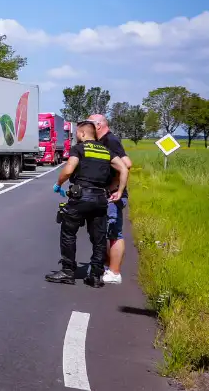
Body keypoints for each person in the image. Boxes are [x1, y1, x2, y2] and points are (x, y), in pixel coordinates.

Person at [45, 120, 129, 287]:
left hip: (80, 197)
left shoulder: (79, 149)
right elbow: (124, 168)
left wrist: (58, 184)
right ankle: (96, 276)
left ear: (83, 134)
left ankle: (68, 271)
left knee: (69, 233)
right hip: (100, 199)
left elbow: (68, 170)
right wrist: (118, 191)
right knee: (98, 238)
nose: (76, 136)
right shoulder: (106, 151)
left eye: (77, 133)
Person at [89, 113, 132, 285]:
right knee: (104, 232)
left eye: (89, 124)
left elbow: (126, 164)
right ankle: (108, 266)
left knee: (114, 232)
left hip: (113, 194)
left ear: (98, 125)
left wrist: (115, 187)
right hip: (106, 193)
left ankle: (114, 272)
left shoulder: (110, 141)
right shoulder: (102, 141)